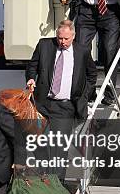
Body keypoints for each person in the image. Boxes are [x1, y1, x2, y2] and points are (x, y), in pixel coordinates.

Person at [26, 20, 97, 178]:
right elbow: (32, 65)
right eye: (59, 38)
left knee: (59, 149)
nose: (62, 42)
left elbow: (92, 75)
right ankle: (43, 177)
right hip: (43, 104)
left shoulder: (82, 51)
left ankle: (57, 185)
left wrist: (84, 95)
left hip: (65, 107)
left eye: (66, 39)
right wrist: (31, 78)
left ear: (73, 36)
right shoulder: (45, 45)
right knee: (38, 142)